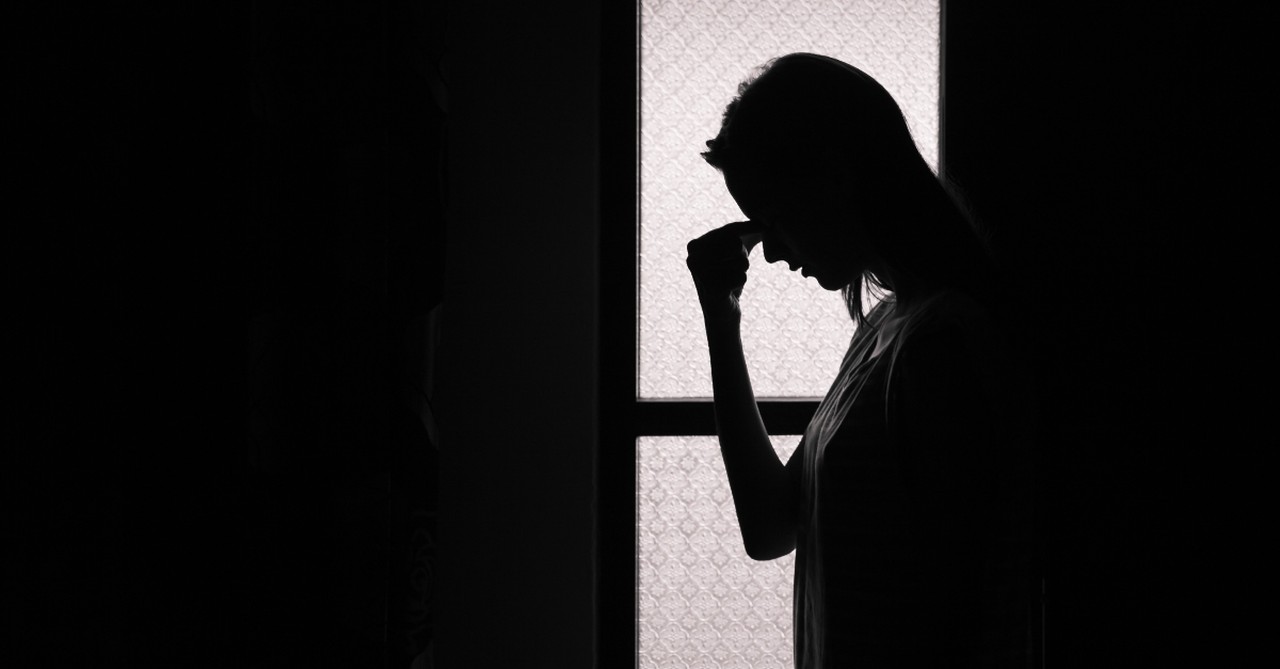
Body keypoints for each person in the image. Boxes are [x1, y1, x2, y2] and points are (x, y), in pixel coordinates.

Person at [686, 53, 1037, 668]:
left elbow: (963, 611)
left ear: (836, 176)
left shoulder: (939, 344)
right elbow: (770, 525)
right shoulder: (885, 332)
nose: (769, 248)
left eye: (775, 215)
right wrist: (721, 314)